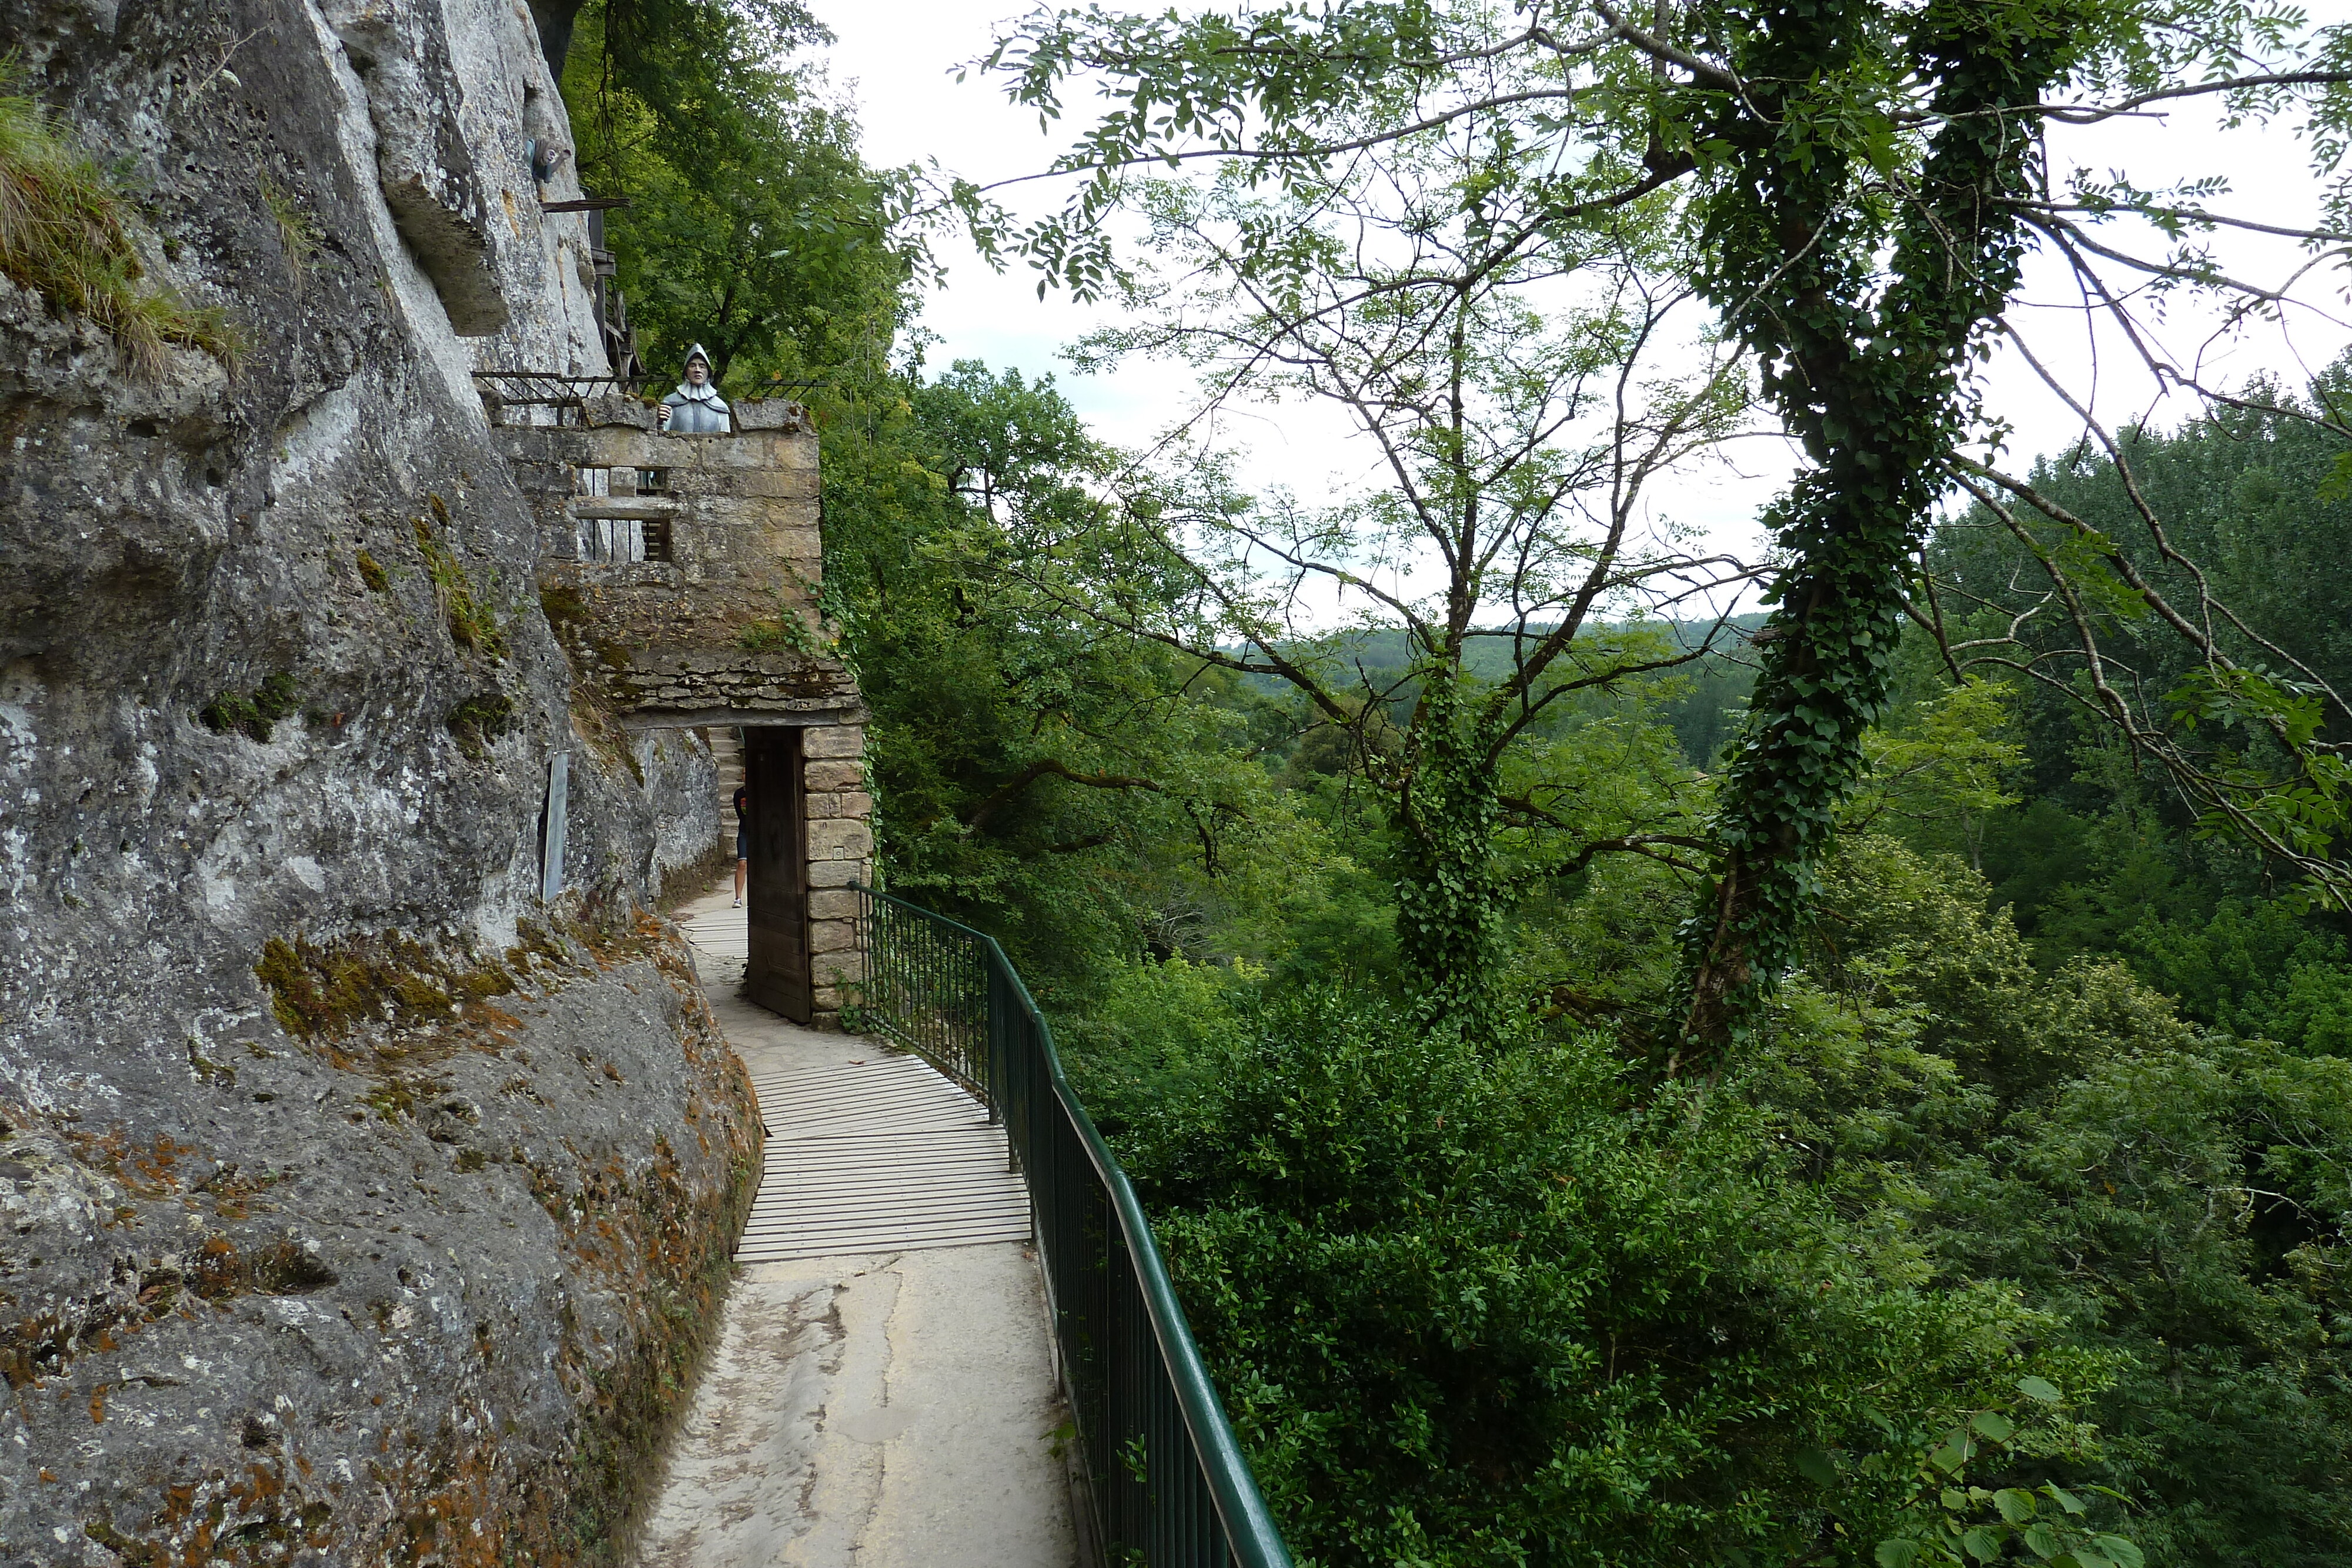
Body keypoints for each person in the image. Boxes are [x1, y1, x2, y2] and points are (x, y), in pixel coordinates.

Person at [657, 344, 731, 433]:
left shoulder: (720, 407)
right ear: (686, 371)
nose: (697, 370)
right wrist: (660, 423)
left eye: (702, 366)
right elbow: (660, 438)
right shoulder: (671, 403)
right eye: (692, 366)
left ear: (708, 372)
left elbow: (726, 441)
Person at [731, 761, 750, 909]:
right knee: (742, 863)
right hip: (744, 831)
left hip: (760, 833)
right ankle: (738, 898)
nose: (746, 776)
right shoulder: (739, 794)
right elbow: (740, 813)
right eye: (744, 773)